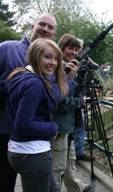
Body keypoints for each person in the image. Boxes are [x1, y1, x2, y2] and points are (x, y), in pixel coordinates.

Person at [0, 13, 58, 192]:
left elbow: (51, 96)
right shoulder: (7, 48)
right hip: (4, 133)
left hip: (34, 142)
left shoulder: (51, 62)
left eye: (50, 27)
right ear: (33, 26)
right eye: (42, 24)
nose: (45, 29)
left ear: (54, 34)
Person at [5, 38, 67, 192]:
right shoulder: (35, 83)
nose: (53, 62)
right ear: (35, 56)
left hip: (21, 150)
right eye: (48, 57)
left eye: (56, 59)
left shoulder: (20, 74)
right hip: (32, 153)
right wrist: (52, 128)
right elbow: (23, 124)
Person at [51, 33, 92, 192]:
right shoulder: (58, 68)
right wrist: (80, 102)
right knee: (57, 168)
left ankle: (77, 188)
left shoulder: (70, 66)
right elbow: (61, 102)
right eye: (70, 48)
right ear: (61, 48)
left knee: (69, 161)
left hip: (68, 126)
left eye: (77, 49)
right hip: (59, 127)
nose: (74, 52)